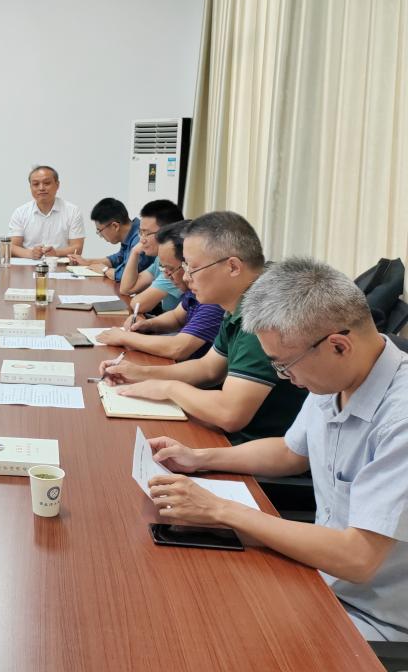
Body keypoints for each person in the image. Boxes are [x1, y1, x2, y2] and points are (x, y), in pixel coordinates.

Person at [145, 258, 408, 642]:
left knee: (202, 633)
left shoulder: (400, 419)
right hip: (317, 575)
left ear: (338, 345)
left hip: (372, 620)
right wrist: (199, 459)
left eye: (285, 367)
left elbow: (358, 557)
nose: (288, 379)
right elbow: (290, 452)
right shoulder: (338, 375)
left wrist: (219, 509)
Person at [101, 211, 307, 443]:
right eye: (185, 266)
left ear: (233, 267)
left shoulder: (264, 314)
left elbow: (229, 413)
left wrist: (168, 389)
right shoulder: (239, 300)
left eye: (193, 268)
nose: (186, 277)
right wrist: (139, 373)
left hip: (254, 447)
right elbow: (208, 369)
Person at [96, 221, 224, 360]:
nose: (166, 275)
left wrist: (124, 337)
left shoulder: (212, 298)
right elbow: (177, 317)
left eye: (170, 269)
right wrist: (146, 325)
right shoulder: (194, 289)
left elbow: (178, 348)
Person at [118, 199, 185, 311]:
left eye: (147, 233)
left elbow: (139, 305)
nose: (142, 240)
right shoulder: (159, 260)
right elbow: (126, 289)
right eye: (141, 232)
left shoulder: (176, 267)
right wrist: (134, 252)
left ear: (167, 232)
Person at [8, 165, 85, 259]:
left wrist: (56, 253)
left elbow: (77, 247)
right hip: (28, 264)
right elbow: (12, 247)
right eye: (36, 184)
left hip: (60, 264)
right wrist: (31, 254)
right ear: (30, 187)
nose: (41, 188)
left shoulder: (72, 211)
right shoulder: (20, 212)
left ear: (57, 185)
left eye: (47, 183)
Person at [68, 198, 152, 281]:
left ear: (115, 226)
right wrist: (87, 262)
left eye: (100, 230)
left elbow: (125, 275)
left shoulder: (141, 238)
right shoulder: (130, 234)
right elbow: (117, 259)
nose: (100, 236)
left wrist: (105, 270)